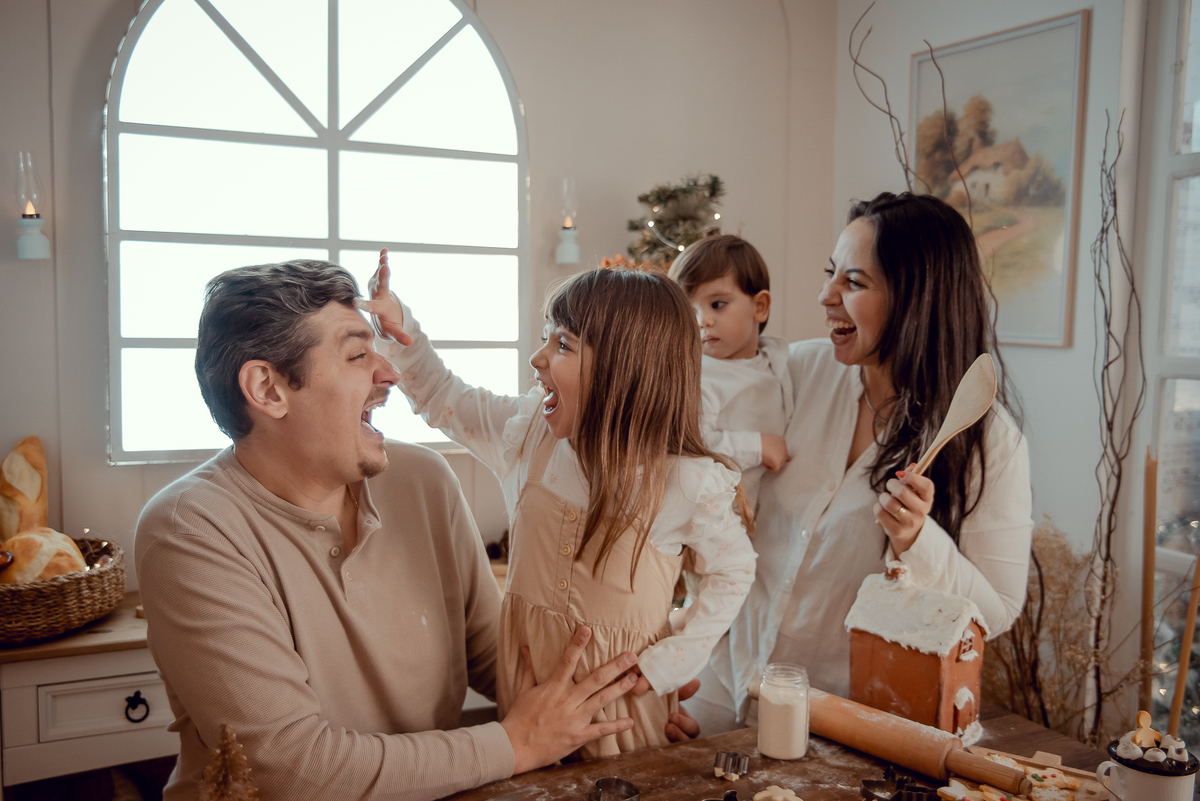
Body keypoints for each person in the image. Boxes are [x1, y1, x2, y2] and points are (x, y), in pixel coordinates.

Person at [136, 260, 696, 801]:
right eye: (357, 354)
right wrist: (516, 743)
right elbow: (290, 770)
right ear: (268, 388)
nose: (390, 373)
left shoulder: (421, 480)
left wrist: (612, 707)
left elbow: (499, 659)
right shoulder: (190, 530)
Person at [361, 253, 757, 757]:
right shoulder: (525, 435)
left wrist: (674, 660)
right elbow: (443, 394)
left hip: (624, 726)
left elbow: (735, 570)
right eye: (548, 336)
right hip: (524, 715)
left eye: (563, 343)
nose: (538, 357)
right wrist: (400, 325)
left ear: (623, 368)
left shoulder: (683, 481)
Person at [690, 191, 1033, 733]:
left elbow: (996, 614)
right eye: (832, 274)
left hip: (836, 728)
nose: (825, 296)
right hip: (718, 688)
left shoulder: (986, 440)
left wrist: (918, 541)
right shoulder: (795, 371)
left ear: (916, 298)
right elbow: (694, 431)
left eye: (853, 282)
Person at [669, 234, 793, 511]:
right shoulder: (699, 375)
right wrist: (756, 446)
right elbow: (686, 444)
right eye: (690, 310)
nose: (703, 321)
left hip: (762, 513)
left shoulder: (776, 357)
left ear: (759, 307)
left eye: (717, 305)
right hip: (710, 518)